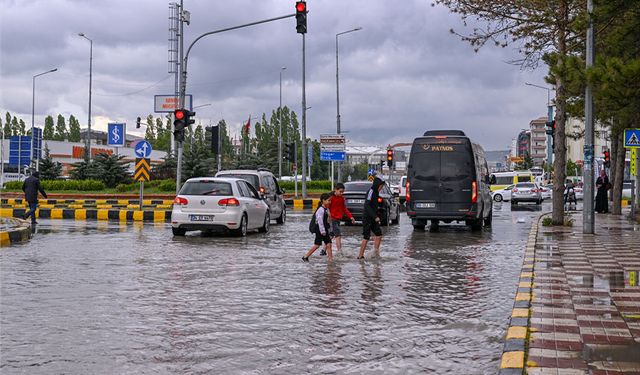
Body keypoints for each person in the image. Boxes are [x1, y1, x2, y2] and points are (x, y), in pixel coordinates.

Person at [322, 183, 356, 255]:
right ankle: (339, 252)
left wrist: (351, 217)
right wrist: (328, 215)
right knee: (338, 235)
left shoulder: (341, 198)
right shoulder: (330, 198)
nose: (341, 193)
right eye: (340, 191)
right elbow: (326, 207)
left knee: (331, 235)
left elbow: (344, 209)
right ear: (335, 190)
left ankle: (323, 250)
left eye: (342, 192)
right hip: (332, 219)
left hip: (338, 219)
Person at [357, 177, 385, 259]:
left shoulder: (376, 193)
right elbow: (367, 205)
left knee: (379, 234)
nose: (381, 188)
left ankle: (375, 253)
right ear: (377, 185)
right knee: (366, 237)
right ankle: (360, 255)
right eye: (381, 186)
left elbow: (374, 205)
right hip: (367, 218)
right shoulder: (371, 191)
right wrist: (375, 216)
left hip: (373, 218)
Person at [302, 193, 333, 262]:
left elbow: (328, 221)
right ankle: (305, 256)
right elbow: (320, 222)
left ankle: (330, 260)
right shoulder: (320, 210)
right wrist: (322, 231)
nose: (330, 202)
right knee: (317, 245)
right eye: (328, 200)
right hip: (320, 230)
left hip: (324, 230)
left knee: (329, 244)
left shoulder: (326, 209)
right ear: (323, 200)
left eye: (330, 200)